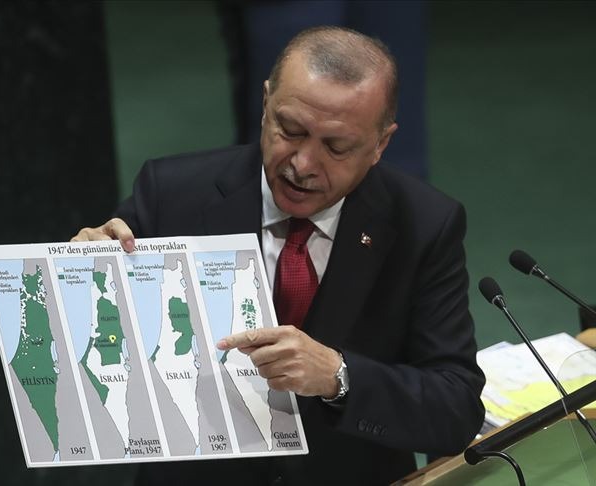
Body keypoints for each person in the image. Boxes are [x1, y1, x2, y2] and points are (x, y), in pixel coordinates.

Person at [72, 26, 485, 485]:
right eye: (291, 130)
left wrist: (339, 377)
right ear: (266, 103)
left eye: (336, 147)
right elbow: (93, 360)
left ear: (380, 145)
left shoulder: (423, 226)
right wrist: (79, 280)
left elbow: (455, 410)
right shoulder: (170, 194)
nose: (302, 164)